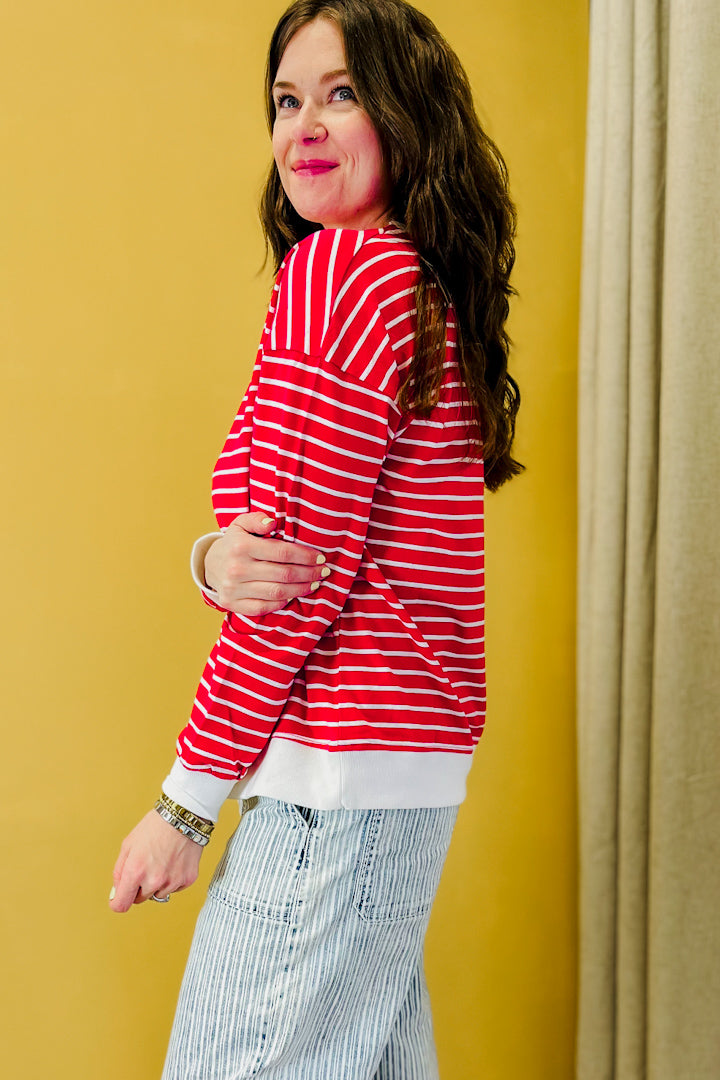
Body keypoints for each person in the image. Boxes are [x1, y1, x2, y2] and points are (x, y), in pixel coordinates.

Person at [109, 0, 521, 1076]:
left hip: (331, 781)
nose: (304, 127)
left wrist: (185, 807)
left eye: (342, 94)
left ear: (404, 114)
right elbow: (283, 544)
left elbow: (295, 581)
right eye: (286, 101)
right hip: (403, 779)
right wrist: (214, 559)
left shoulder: (340, 275)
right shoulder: (417, 284)